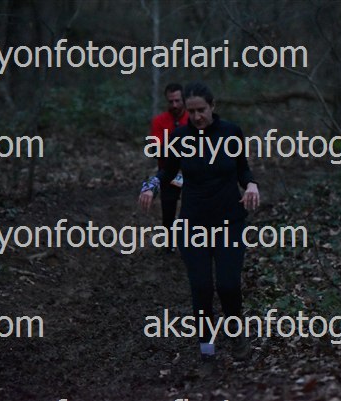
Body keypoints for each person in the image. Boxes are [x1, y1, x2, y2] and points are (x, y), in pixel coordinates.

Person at [139, 82, 260, 374]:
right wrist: (150, 187)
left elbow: (242, 168)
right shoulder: (179, 137)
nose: (196, 117)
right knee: (202, 287)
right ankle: (207, 351)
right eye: (191, 111)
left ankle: (236, 334)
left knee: (228, 285)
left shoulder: (231, 132)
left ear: (212, 106)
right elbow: (166, 170)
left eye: (201, 110)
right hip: (193, 222)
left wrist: (252, 185)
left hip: (229, 221)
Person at [149, 83, 189, 251]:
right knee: (168, 205)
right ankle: (169, 241)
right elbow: (156, 149)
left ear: (184, 100)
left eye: (177, 101)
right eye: (171, 101)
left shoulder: (192, 118)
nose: (174, 105)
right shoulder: (159, 121)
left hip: (190, 171)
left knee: (191, 205)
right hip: (168, 170)